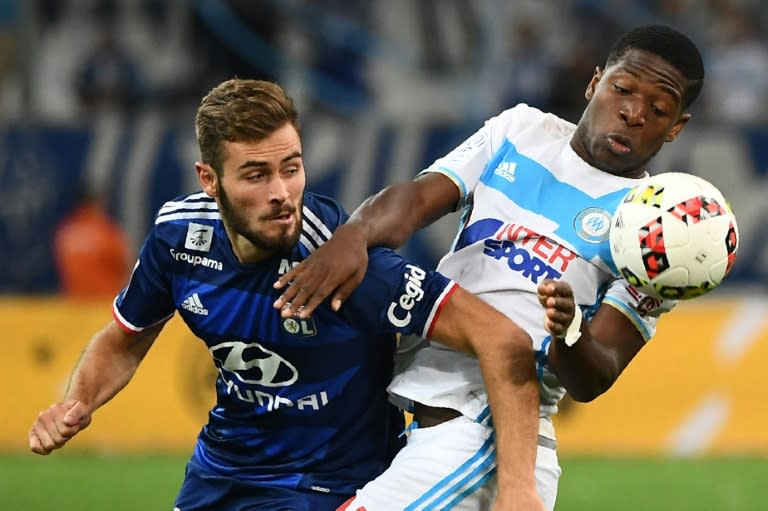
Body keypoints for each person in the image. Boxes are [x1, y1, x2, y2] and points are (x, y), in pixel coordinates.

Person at [29, 79, 545, 511]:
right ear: (209, 180)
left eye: (291, 168)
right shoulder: (179, 240)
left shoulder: (345, 264)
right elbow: (125, 337)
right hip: (221, 473)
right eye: (256, 175)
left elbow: (500, 337)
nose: (281, 192)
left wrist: (519, 490)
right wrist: (75, 403)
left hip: (326, 485)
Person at [273, 25, 705, 510]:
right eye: (623, 90)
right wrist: (354, 233)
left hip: (486, 440)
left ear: (676, 127)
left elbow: (594, 378)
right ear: (595, 82)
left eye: (658, 109)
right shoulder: (521, 131)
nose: (633, 113)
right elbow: (416, 200)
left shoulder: (657, 225)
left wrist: (571, 331)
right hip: (426, 429)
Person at [54, 185, 132, 299]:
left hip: (76, 304)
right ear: (94, 204)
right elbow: (124, 266)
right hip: (104, 303)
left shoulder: (65, 232)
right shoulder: (105, 229)